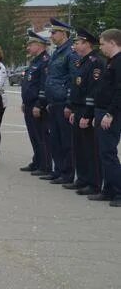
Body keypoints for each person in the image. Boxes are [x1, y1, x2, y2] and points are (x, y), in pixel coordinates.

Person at [63, 28, 105, 195]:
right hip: (78, 108)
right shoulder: (81, 61)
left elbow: (93, 91)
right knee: (79, 147)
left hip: (89, 110)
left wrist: (87, 115)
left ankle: (94, 183)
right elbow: (77, 88)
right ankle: (82, 179)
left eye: (78, 42)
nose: (75, 45)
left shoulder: (96, 62)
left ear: (87, 44)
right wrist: (73, 108)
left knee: (90, 148)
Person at [41, 18, 79, 184]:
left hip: (64, 101)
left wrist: (70, 103)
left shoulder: (70, 52)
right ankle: (58, 170)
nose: (51, 35)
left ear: (64, 33)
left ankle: (68, 173)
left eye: (54, 32)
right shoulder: (57, 52)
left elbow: (73, 79)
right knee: (55, 138)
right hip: (54, 101)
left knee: (66, 140)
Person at [91, 28, 121, 206]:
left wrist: (109, 113)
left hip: (112, 114)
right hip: (102, 111)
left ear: (112, 42)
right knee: (104, 153)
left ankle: (119, 191)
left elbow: (119, 92)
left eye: (102, 44)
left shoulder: (119, 62)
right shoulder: (111, 61)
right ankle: (108, 189)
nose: (100, 47)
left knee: (109, 154)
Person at [19, 30, 52, 177]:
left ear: (39, 45)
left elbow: (44, 86)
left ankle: (45, 165)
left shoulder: (45, 62)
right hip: (29, 104)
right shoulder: (35, 61)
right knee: (34, 135)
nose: (28, 48)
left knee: (41, 136)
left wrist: (39, 104)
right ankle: (37, 161)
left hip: (37, 105)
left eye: (30, 45)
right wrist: (25, 102)